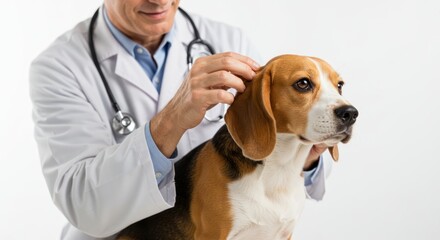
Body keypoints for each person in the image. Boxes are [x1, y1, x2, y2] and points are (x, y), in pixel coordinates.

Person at [29, 0, 331, 239]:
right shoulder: (59, 67)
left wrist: (307, 155)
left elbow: (266, 137)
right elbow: (83, 202)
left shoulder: (227, 39)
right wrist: (173, 117)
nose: (159, 0)